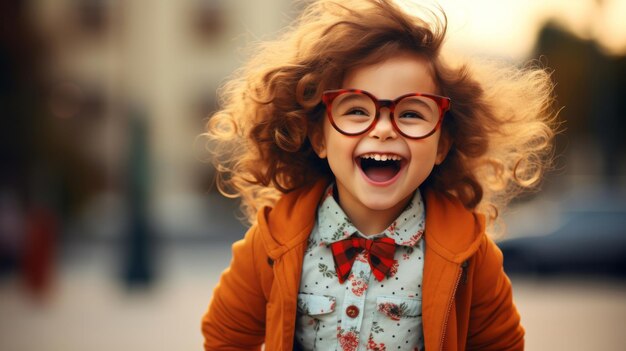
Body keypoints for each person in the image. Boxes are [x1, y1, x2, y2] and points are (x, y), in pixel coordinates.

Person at [201, 0, 556, 350]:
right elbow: (224, 336)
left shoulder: (470, 255)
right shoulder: (273, 241)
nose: (384, 129)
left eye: (412, 113)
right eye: (356, 109)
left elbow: (502, 345)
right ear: (319, 137)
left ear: (443, 144)